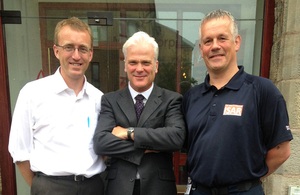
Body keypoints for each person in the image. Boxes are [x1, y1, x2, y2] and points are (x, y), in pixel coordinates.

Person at [181, 9, 293, 195]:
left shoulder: (263, 90)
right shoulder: (191, 97)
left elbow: (281, 151)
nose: (215, 46)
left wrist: (246, 181)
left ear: (237, 42)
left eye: (222, 38)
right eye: (208, 41)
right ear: (201, 49)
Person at [8, 17, 106, 195]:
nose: (76, 56)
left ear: (90, 54)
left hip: (93, 188)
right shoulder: (32, 94)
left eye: (83, 49)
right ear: (56, 51)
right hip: (50, 188)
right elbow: (20, 153)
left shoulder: (99, 99)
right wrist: (43, 188)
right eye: (69, 47)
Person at [93, 31, 186, 195]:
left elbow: (175, 138)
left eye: (146, 62)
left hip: (158, 188)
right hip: (119, 188)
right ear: (125, 65)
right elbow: (101, 143)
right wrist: (148, 146)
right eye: (133, 62)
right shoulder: (110, 100)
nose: (139, 69)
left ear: (156, 66)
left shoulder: (171, 100)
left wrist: (128, 132)